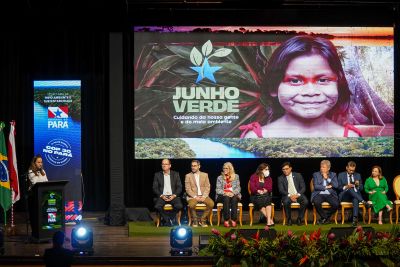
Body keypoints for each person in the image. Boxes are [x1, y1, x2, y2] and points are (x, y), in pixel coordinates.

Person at [240, 35, 361, 138]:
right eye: (295, 81)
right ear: (273, 87)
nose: (310, 91)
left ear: (338, 83)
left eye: (323, 80)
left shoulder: (350, 138)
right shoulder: (256, 138)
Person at [338, 161, 371, 226]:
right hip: (345, 196)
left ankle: (354, 219)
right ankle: (364, 202)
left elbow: (361, 188)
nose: (351, 172)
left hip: (355, 195)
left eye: (353, 170)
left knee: (355, 198)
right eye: (350, 170)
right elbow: (338, 187)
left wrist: (358, 185)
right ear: (346, 168)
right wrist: (347, 186)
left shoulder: (358, 175)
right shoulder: (341, 175)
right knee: (350, 189)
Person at [152, 159, 183, 226]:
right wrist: (162, 195)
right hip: (162, 196)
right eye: (163, 164)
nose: (164, 165)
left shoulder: (175, 174)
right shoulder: (157, 175)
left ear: (170, 165)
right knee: (157, 206)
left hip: (173, 196)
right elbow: (155, 188)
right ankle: (168, 219)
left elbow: (179, 187)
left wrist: (174, 195)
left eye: (166, 164)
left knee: (179, 206)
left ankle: (169, 218)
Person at [277, 162, 308, 226]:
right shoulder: (280, 178)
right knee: (286, 202)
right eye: (283, 169)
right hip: (287, 195)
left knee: (305, 201)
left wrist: (297, 195)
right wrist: (290, 196)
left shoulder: (298, 175)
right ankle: (289, 219)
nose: (285, 171)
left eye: (287, 169)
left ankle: (299, 219)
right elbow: (281, 190)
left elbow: (303, 188)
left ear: (290, 168)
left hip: (298, 194)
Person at [185, 160, 214, 227]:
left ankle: (202, 220)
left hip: (203, 195)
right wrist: (195, 197)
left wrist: (204, 196)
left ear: (199, 166)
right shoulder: (188, 176)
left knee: (211, 204)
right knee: (192, 205)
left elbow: (208, 186)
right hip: (193, 196)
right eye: (192, 166)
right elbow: (188, 189)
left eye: (195, 166)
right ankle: (195, 221)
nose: (193, 167)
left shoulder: (205, 175)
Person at [311, 160, 339, 224]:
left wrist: (327, 179)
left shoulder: (333, 175)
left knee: (336, 204)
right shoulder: (316, 174)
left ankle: (323, 218)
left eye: (323, 167)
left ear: (328, 168)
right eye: (321, 167)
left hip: (330, 193)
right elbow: (316, 186)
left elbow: (336, 185)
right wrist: (326, 187)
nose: (321, 168)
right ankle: (326, 218)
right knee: (316, 202)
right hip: (319, 193)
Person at [215, 162, 241, 227]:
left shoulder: (236, 176)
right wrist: (225, 193)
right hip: (222, 195)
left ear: (230, 169)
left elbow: (238, 188)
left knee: (234, 198)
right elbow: (218, 190)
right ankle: (226, 220)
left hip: (233, 194)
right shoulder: (219, 178)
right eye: (224, 168)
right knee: (226, 197)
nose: (224, 170)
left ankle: (233, 219)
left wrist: (233, 193)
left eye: (226, 168)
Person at [27, 154, 48, 236]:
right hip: (34, 197)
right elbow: (35, 183)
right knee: (35, 217)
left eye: (41, 162)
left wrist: (40, 175)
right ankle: (35, 233)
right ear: (34, 163)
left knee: (43, 215)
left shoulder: (43, 172)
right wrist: (39, 175)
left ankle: (43, 232)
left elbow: (46, 181)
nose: (40, 164)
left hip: (43, 197)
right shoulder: (30, 171)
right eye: (38, 162)